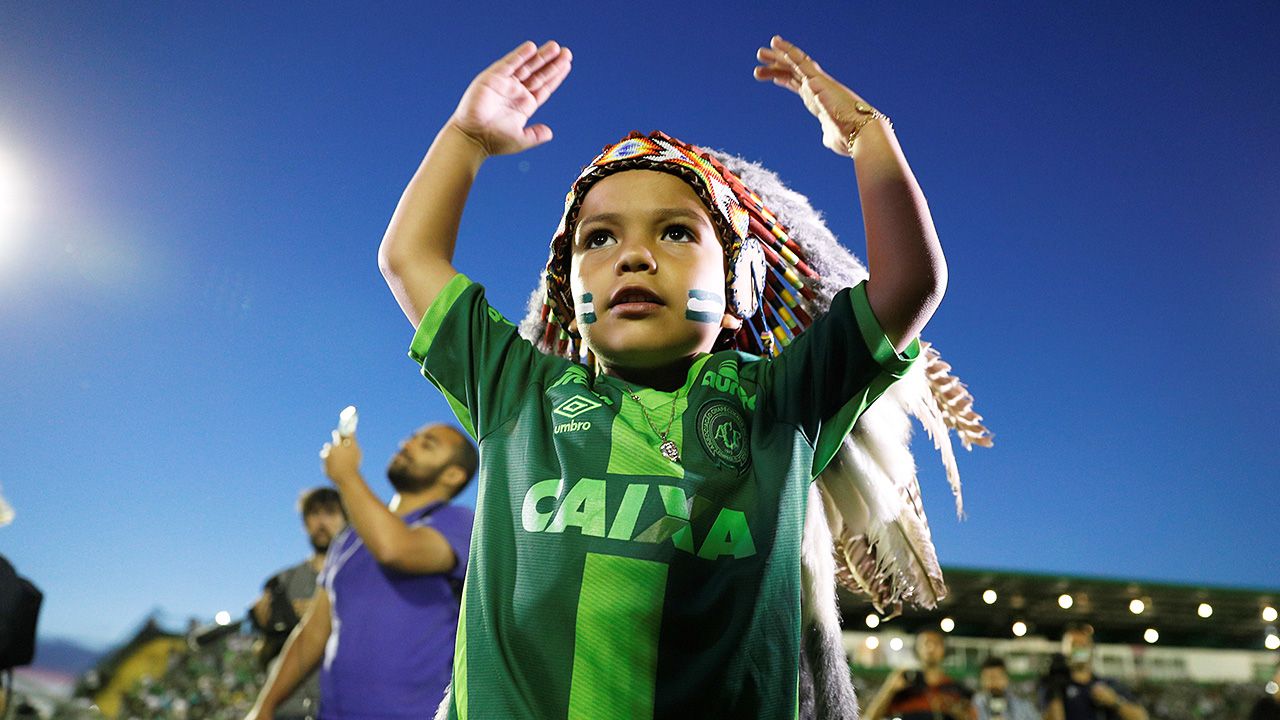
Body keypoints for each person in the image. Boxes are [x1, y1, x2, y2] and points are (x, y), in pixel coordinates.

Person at [379, 34, 945, 719]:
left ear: (740, 283)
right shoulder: (518, 393)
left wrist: (866, 134)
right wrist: (464, 137)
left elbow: (910, 282)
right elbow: (408, 257)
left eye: (676, 232)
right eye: (599, 238)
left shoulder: (778, 406)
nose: (635, 256)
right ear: (566, 289)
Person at [246, 424, 476, 720]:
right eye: (411, 437)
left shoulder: (458, 523)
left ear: (452, 475)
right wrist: (263, 707)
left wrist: (347, 476)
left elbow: (396, 550)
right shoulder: (349, 540)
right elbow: (313, 633)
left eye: (427, 444)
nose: (407, 444)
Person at [249, 487, 347, 720]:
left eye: (331, 512)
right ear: (305, 522)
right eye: (314, 514)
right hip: (288, 707)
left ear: (346, 518)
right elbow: (264, 648)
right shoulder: (282, 582)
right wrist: (261, 619)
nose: (321, 521)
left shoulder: (359, 577)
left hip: (340, 705)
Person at [1040, 624, 1147, 720]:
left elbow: (1141, 717)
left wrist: (1114, 701)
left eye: (1083, 645)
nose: (1078, 650)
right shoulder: (1055, 686)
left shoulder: (1108, 684)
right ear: (1064, 650)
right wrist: (1054, 695)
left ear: (1092, 649)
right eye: (1073, 645)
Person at [863, 630, 973, 720]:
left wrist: (958, 714)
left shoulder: (956, 689)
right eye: (925, 643)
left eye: (936, 643)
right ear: (917, 649)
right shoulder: (905, 685)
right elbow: (871, 717)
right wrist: (889, 689)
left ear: (944, 649)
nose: (930, 648)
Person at [973, 656, 1039, 720]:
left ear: (1006, 679)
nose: (993, 683)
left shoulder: (1022, 704)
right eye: (988, 678)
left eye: (996, 677)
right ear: (981, 681)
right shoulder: (975, 704)